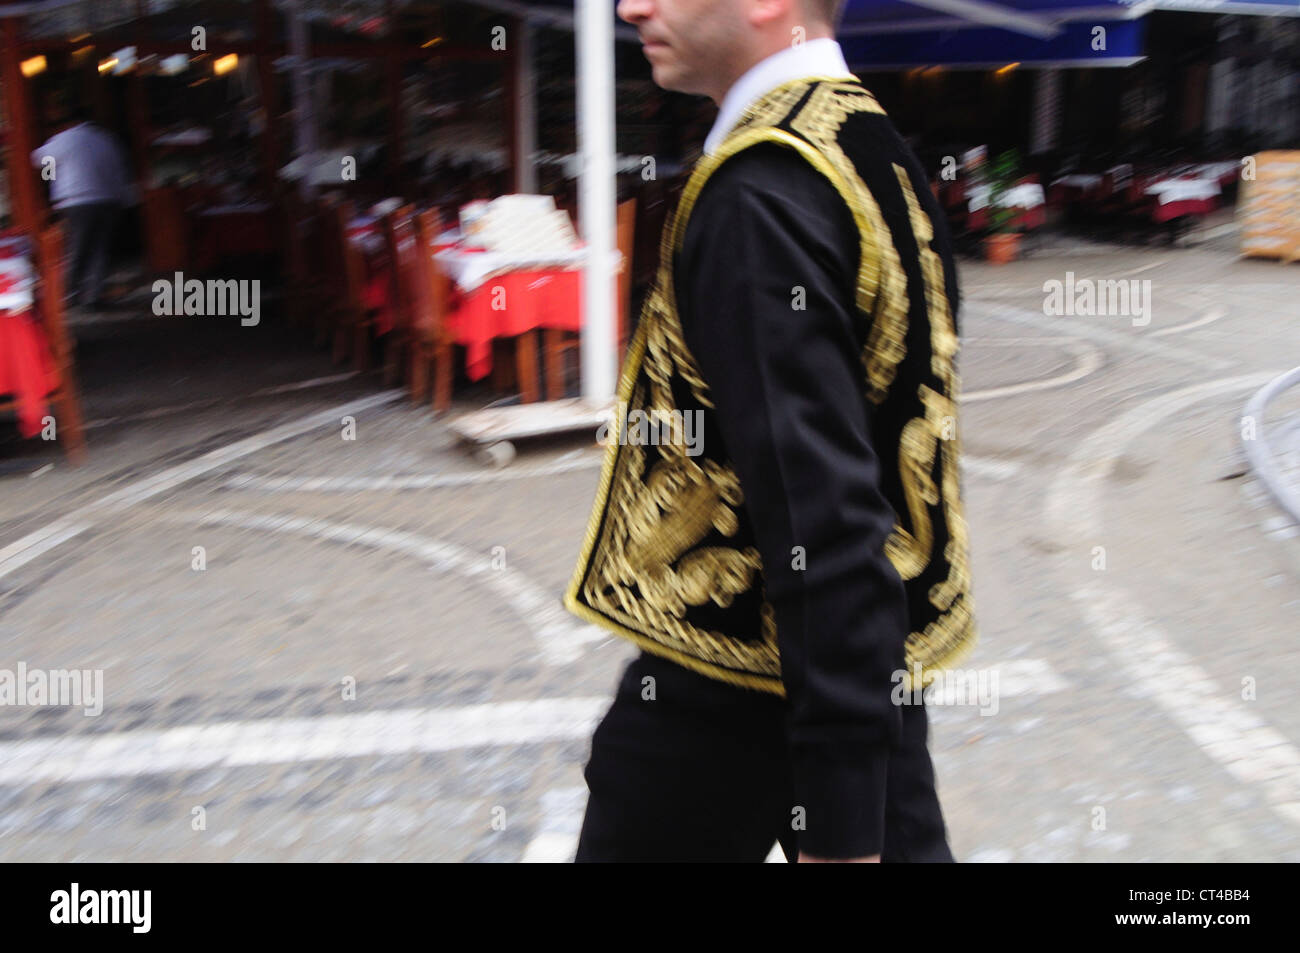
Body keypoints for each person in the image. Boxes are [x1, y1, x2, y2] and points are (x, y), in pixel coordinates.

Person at [564, 0, 977, 862]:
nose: (633, 6)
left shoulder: (763, 187)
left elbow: (821, 513)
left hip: (737, 698)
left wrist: (840, 829)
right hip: (858, 676)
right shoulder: (871, 144)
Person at [31, 108, 132, 310]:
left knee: (76, 250)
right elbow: (120, 171)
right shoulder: (106, 139)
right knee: (99, 250)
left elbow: (39, 159)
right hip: (107, 200)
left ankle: (69, 295)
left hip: (75, 201)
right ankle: (93, 296)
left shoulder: (64, 138)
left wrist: (50, 178)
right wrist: (124, 200)